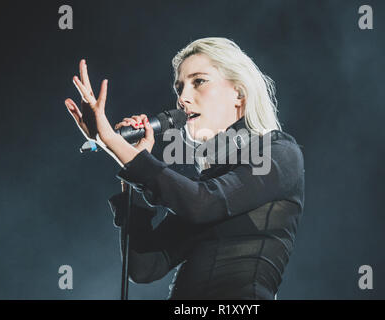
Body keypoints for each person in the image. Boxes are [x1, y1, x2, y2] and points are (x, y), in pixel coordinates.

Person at [64, 37, 305, 300]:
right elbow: (145, 267)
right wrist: (133, 161)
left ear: (239, 93)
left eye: (198, 82)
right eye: (179, 87)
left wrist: (113, 142)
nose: (182, 98)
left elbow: (203, 204)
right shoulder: (210, 181)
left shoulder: (279, 152)